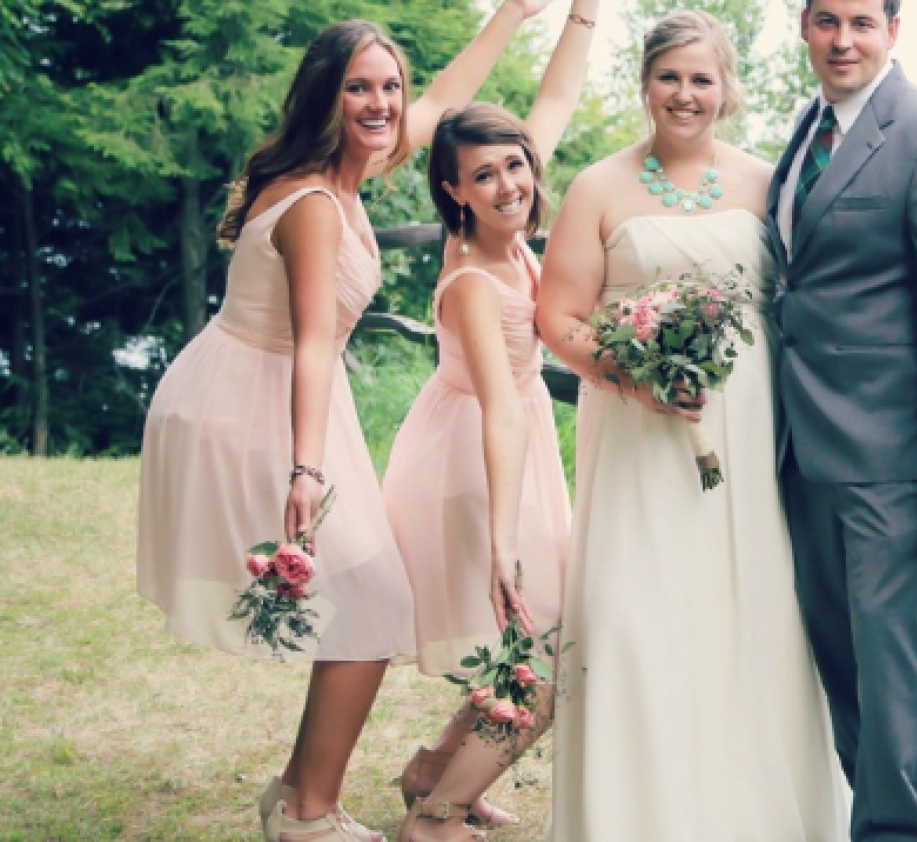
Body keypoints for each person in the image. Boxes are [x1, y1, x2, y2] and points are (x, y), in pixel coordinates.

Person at [135, 5, 554, 840]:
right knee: (371, 603)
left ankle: (296, 789)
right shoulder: (316, 205)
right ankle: (309, 815)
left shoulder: (354, 167)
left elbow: (440, 102)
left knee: (367, 602)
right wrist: (306, 469)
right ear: (326, 96)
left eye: (389, 86)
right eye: (359, 88)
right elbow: (313, 344)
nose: (382, 103)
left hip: (275, 387)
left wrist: (510, 16)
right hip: (250, 401)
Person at [535, 10, 851, 840]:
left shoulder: (766, 182)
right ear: (644, 85)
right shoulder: (597, 187)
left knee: (747, 614)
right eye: (669, 77)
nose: (685, 94)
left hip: (745, 434)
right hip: (636, 439)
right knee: (635, 617)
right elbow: (558, 318)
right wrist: (631, 377)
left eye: (701, 79)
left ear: (726, 90)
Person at [766, 0, 917, 838]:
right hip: (803, 442)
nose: (843, 40)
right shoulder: (808, 129)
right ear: (803, 25)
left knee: (890, 668)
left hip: (893, 450)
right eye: (827, 20)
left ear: (893, 31)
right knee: (843, 666)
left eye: (862, 22)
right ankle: (909, 827)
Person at [379, 2, 595, 839]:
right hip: (478, 460)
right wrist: (505, 538)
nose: (509, 186)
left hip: (511, 446)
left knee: (534, 639)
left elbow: (557, 102)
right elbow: (500, 407)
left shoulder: (509, 233)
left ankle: (435, 771)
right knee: (544, 655)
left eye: (516, 166)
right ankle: (435, 819)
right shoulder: (473, 277)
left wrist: (582, 14)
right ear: (453, 191)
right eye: (485, 176)